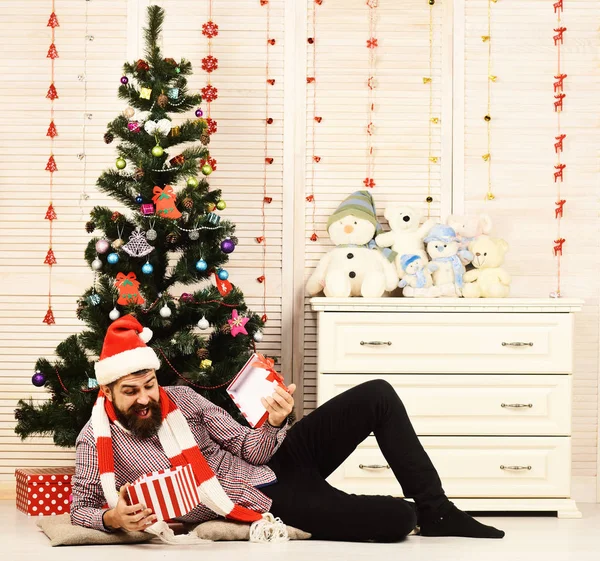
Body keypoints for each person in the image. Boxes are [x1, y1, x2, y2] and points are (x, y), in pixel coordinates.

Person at [71, 314, 504, 543]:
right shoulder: (95, 441)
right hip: (267, 497)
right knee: (395, 518)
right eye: (131, 391)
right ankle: (409, 512)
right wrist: (111, 517)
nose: (146, 398)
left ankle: (437, 509)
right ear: (107, 391)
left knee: (378, 393)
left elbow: (249, 447)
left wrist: (276, 421)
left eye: (149, 385)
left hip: (278, 457)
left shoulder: (180, 400)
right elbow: (80, 507)